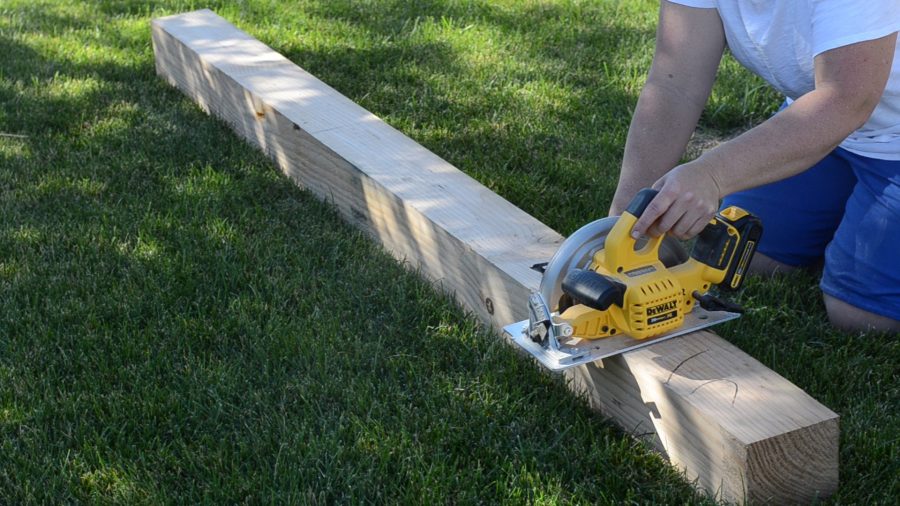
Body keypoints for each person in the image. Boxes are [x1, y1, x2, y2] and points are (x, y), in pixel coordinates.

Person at [610, 0, 900, 333]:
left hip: (873, 127)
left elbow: (846, 101)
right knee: (743, 251)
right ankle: (855, 209)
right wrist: (624, 222)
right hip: (830, 128)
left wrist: (711, 174)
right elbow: (674, 85)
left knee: (861, 316)